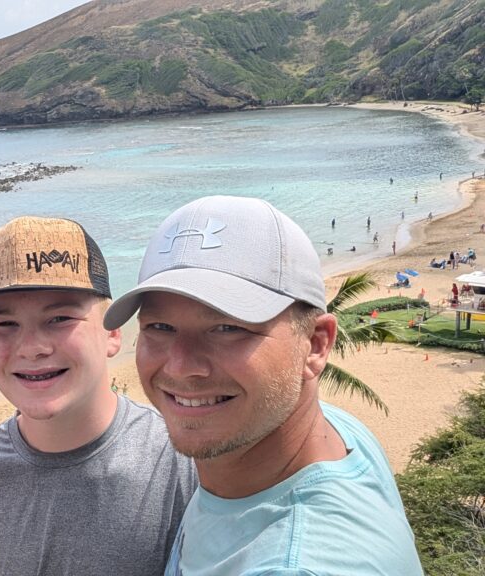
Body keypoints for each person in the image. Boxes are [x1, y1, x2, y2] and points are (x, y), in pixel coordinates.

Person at [103, 196, 422, 575]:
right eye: (159, 327)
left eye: (228, 328)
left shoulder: (294, 564)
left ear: (316, 344)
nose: (181, 365)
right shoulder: (338, 433)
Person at [0, 216, 196, 576]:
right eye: (4, 325)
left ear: (112, 332)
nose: (32, 348)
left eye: (60, 318)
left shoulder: (180, 460)